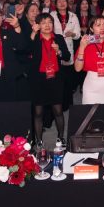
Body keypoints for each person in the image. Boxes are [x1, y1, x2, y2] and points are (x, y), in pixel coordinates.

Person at [27, 14, 71, 146]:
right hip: (38, 79)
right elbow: (26, 50)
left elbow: (67, 56)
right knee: (38, 112)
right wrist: (33, 33)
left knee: (58, 110)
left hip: (55, 79)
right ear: (38, 25)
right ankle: (39, 141)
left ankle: (61, 138)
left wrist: (59, 52)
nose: (47, 25)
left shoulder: (58, 38)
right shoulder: (35, 38)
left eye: (50, 22)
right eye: (43, 22)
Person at [51, 0, 82, 105]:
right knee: (57, 76)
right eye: (59, 1)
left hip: (68, 47)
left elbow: (78, 35)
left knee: (68, 78)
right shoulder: (52, 15)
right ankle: (57, 102)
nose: (62, 3)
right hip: (55, 46)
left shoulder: (73, 16)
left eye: (63, 1)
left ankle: (68, 103)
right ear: (56, 4)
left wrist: (72, 34)